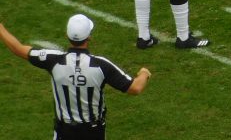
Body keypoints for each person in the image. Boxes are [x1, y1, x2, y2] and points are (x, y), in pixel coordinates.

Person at [1, 14, 151, 139]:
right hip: (93, 132)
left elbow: (18, 48)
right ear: (89, 37)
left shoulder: (53, 60)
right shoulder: (101, 65)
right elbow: (135, 88)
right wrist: (144, 74)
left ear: (67, 35)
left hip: (64, 132)